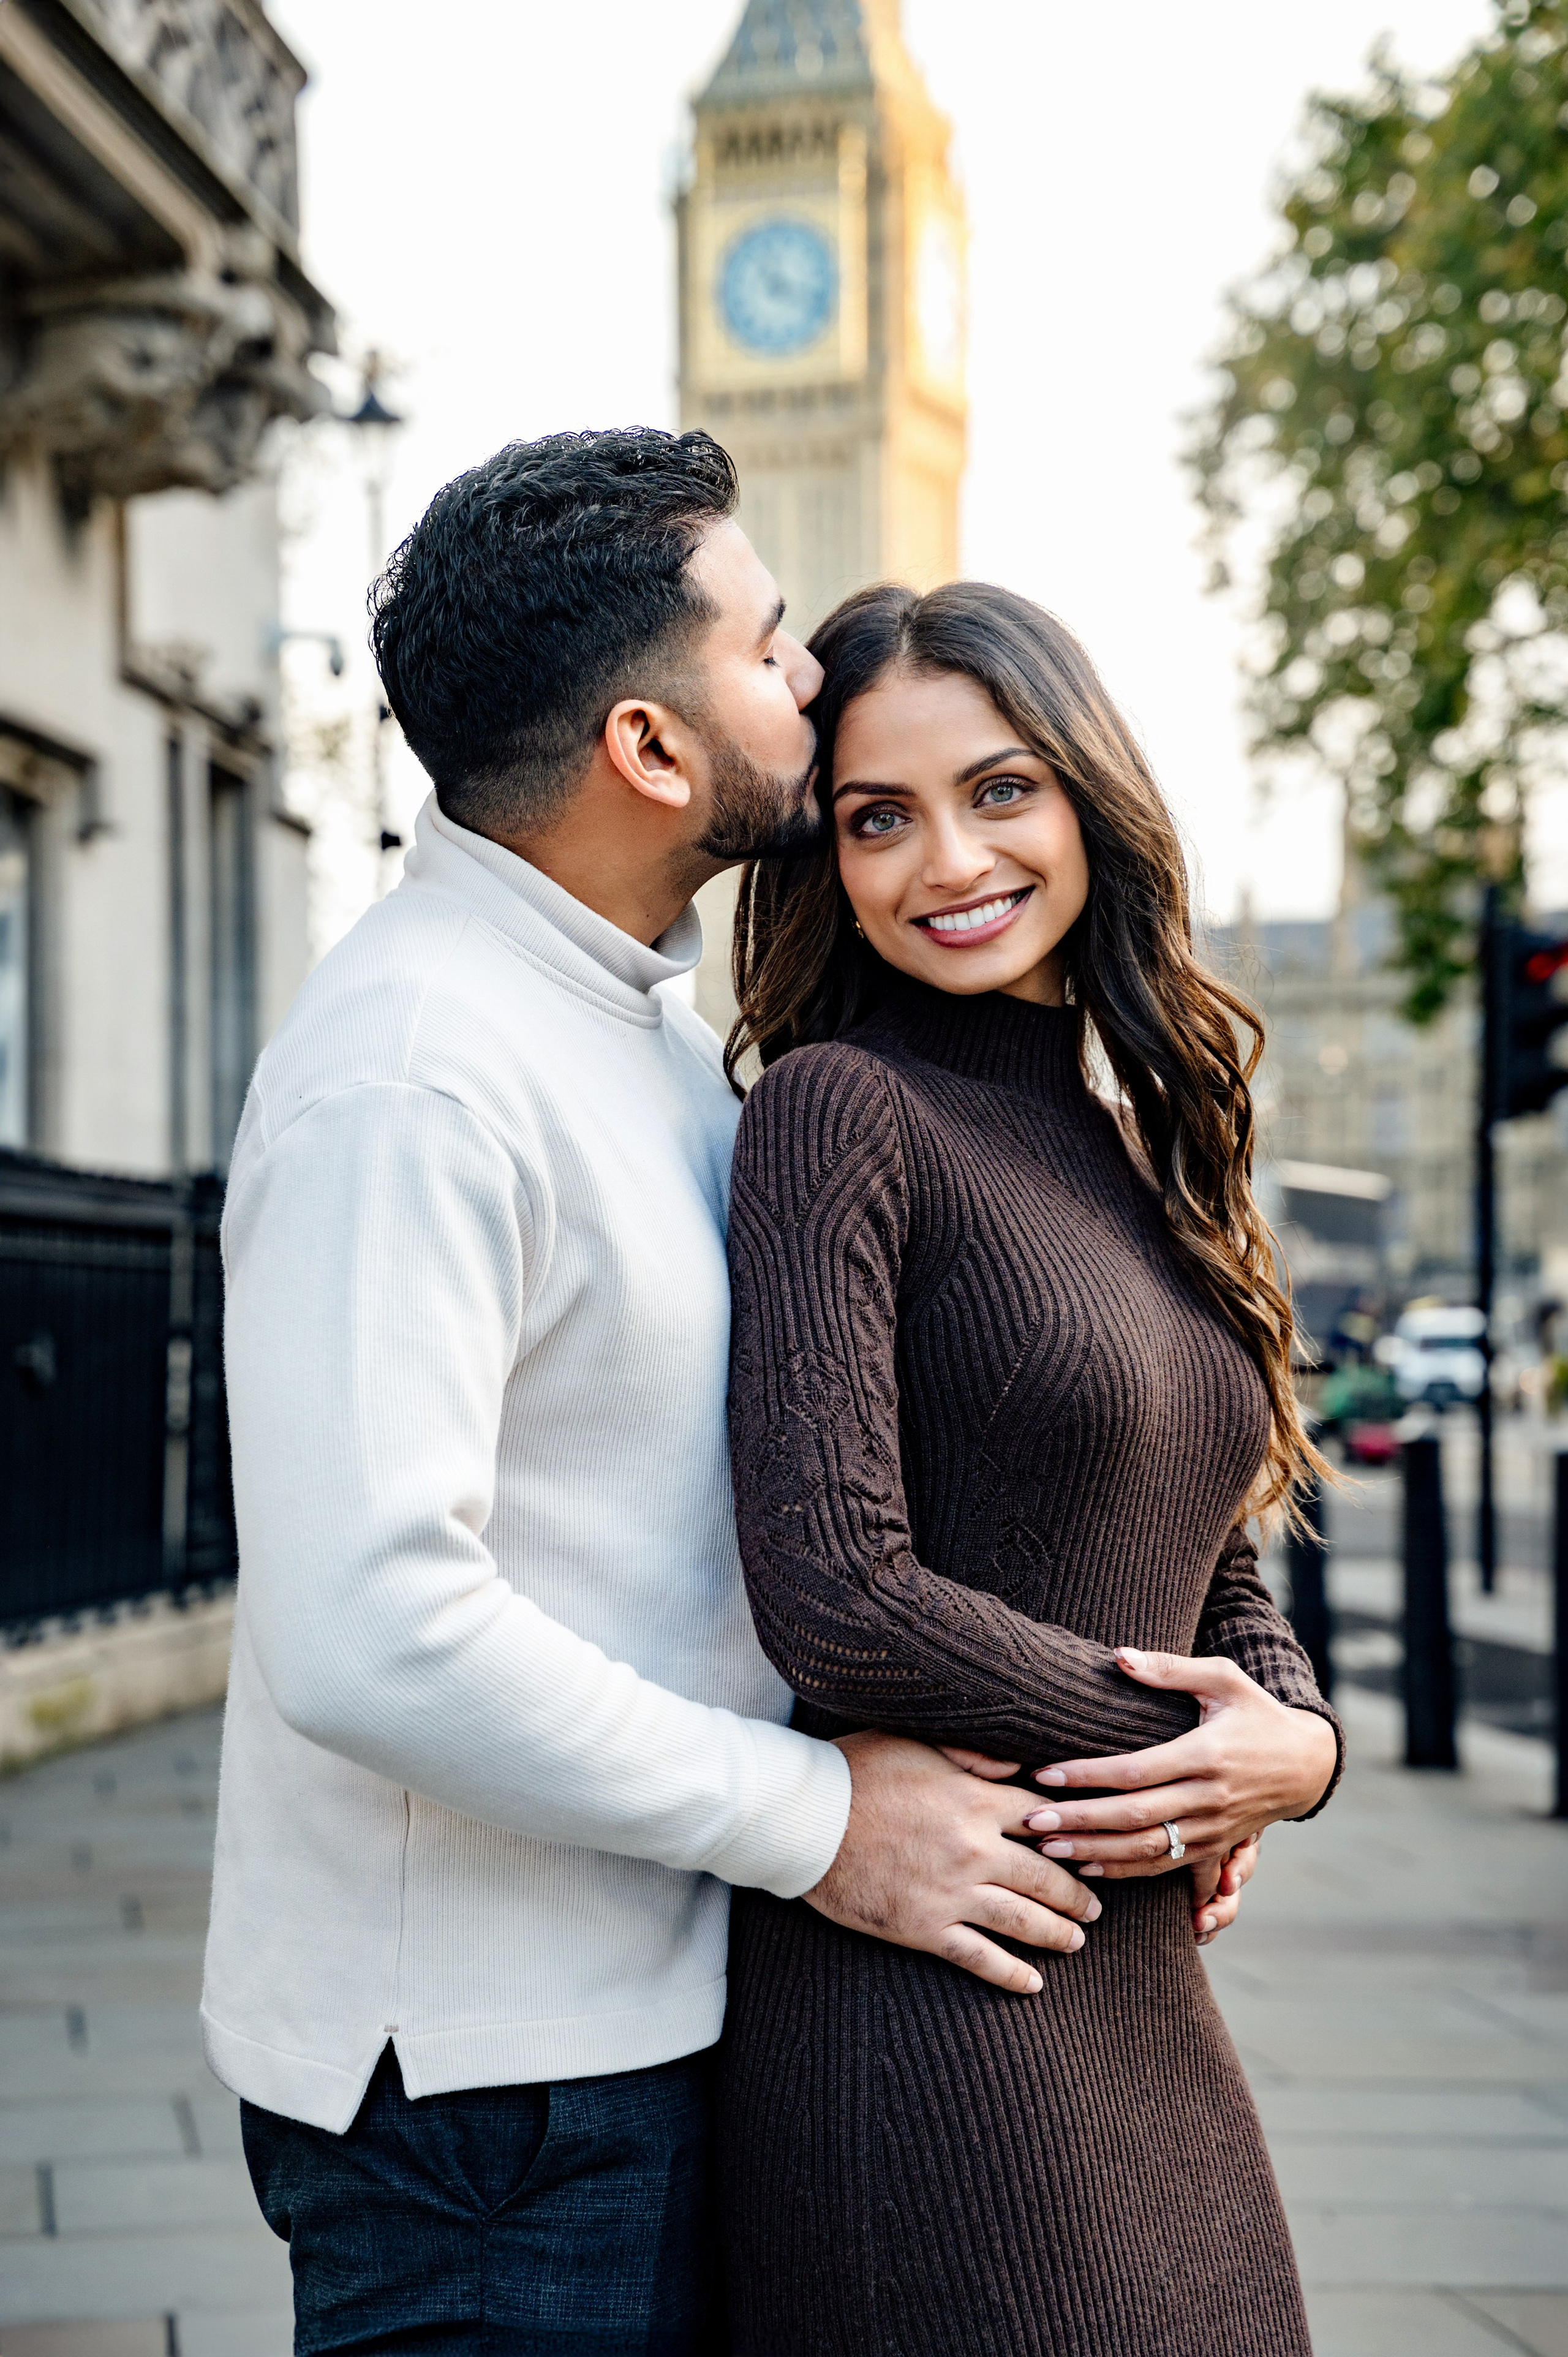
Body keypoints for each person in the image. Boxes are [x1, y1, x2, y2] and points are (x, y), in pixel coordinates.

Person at [200, 430, 1102, 2357]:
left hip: (643, 2031)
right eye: (770, 647)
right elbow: (368, 1634)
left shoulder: (637, 1029)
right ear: (651, 750)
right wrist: (818, 1820)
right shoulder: (418, 1068)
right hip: (484, 2109)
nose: (811, 678)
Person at [718, 580, 1344, 2357]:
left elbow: (1203, 1545)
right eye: (876, 817)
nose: (946, 859)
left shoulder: (1142, 1145)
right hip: (936, 2007)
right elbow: (838, 1597)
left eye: (1000, 790)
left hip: (1136, 1995)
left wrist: (1293, 1742)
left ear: (1087, 794)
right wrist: (1189, 1754)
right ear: (822, 857)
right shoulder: (837, 1111)